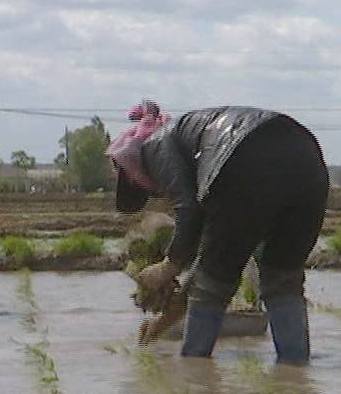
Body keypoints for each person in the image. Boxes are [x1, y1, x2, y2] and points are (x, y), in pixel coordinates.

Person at [110, 101, 328, 363]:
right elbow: (213, 237)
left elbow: (189, 208)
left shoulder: (155, 145)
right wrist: (180, 298)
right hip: (306, 160)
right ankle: (295, 371)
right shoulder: (190, 145)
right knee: (284, 279)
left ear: (134, 172)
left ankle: (194, 368)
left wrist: (169, 265)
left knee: (212, 285)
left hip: (243, 154)